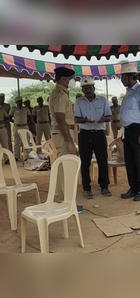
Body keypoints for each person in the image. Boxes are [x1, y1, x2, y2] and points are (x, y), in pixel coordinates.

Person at [74, 77, 112, 199]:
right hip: (85, 134)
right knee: (85, 162)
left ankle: (104, 186)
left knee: (103, 161)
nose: (88, 90)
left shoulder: (102, 100)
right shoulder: (79, 102)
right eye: (85, 88)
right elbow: (76, 119)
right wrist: (85, 120)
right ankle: (86, 188)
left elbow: (109, 116)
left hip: (99, 133)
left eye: (89, 87)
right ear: (83, 90)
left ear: (93, 88)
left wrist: (103, 119)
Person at [119, 64, 140, 202]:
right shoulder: (129, 92)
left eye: (122, 77)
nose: (121, 79)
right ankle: (133, 188)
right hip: (128, 130)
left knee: (139, 160)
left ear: (130, 76)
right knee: (130, 160)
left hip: (138, 129)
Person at [49, 67, 79, 204]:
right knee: (64, 164)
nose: (73, 81)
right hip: (63, 133)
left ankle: (67, 198)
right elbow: (61, 119)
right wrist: (70, 142)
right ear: (63, 79)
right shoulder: (60, 94)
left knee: (67, 163)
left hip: (66, 131)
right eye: (71, 78)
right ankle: (64, 200)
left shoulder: (63, 93)